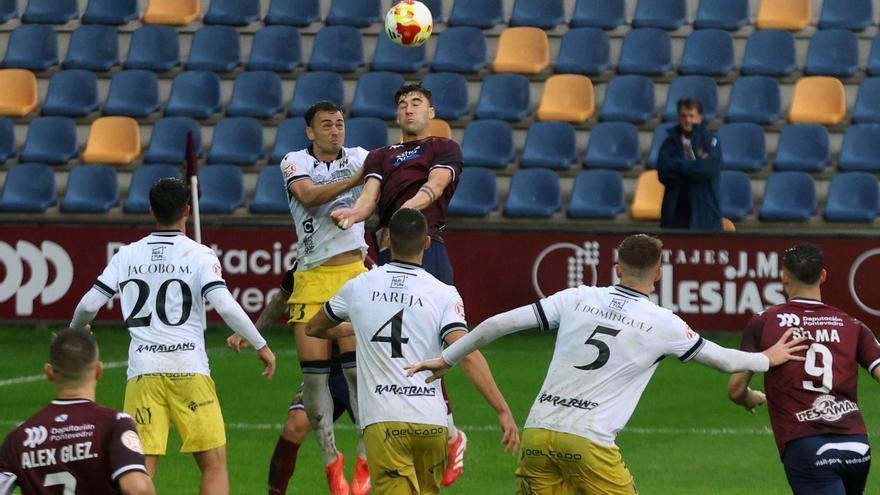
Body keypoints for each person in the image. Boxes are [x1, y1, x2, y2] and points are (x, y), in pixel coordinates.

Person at [406, 234, 807, 495]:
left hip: (539, 434)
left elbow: (495, 324)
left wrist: (446, 358)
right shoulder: (662, 322)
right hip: (589, 442)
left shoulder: (577, 297)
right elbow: (721, 359)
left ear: (616, 269)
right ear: (658, 275)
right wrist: (766, 359)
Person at [68, 178, 276, 495]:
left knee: (141, 468)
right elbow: (225, 304)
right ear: (187, 211)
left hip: (143, 373)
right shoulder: (199, 254)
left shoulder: (127, 255)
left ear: (152, 210)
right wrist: (260, 343)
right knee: (214, 463)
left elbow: (87, 304)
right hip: (189, 369)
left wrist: (74, 333)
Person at [307, 208, 519, 494]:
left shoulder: (358, 286)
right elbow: (467, 352)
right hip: (432, 424)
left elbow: (314, 328)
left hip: (384, 422)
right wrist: (503, 410)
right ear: (427, 244)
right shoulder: (444, 293)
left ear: (388, 241)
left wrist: (352, 328)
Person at [330, 83, 470, 485]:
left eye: (417, 102)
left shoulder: (444, 148)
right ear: (397, 115)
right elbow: (368, 198)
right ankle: (402, 428)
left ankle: (450, 431)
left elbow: (435, 187)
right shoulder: (380, 155)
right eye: (403, 103)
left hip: (428, 246)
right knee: (394, 344)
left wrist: (404, 218)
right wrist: (353, 216)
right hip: (388, 250)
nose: (409, 108)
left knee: (437, 340)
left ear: (431, 111)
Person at [272, 100, 371, 495]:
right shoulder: (294, 162)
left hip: (352, 276)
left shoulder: (362, 157)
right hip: (311, 277)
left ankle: (364, 456)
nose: (335, 130)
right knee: (314, 383)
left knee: (354, 377)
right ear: (310, 132)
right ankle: (333, 460)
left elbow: (381, 186)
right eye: (326, 125)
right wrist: (355, 182)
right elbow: (309, 197)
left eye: (340, 124)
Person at [728, 243, 880, 495]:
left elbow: (735, 389)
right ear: (823, 276)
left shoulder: (764, 322)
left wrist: (750, 398)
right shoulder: (852, 324)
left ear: (783, 276)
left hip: (808, 446)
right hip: (856, 445)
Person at [226, 266, 364, 495]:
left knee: (378, 437)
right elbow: (281, 298)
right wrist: (252, 332)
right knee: (294, 426)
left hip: (360, 369)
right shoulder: (306, 264)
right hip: (325, 371)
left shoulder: (360, 266)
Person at [0, 328, 156, 495]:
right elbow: (138, 489)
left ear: (49, 372)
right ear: (98, 371)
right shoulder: (113, 425)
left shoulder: (19, 438)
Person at [657, 97, 723, 230]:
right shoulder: (669, 143)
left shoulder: (711, 141)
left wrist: (677, 165)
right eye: (683, 115)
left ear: (699, 117)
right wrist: (695, 167)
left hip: (705, 213)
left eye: (691, 116)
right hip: (674, 214)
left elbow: (709, 169)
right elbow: (663, 172)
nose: (687, 120)